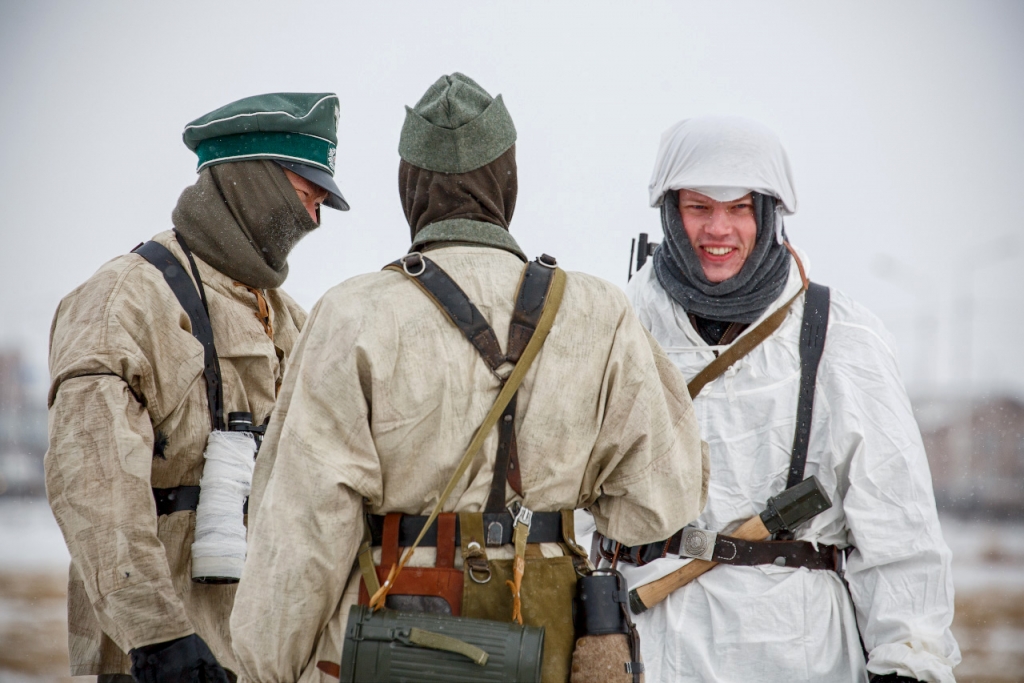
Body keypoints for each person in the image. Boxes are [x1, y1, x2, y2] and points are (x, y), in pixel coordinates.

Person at [229, 73, 709, 683]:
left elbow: (304, 524)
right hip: (547, 632)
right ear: (507, 179)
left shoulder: (352, 314)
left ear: (409, 185)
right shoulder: (599, 311)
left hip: (393, 635)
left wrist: (267, 665)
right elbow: (657, 502)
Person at [615, 116, 960, 682]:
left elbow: (898, 526)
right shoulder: (616, 327)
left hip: (798, 655)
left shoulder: (841, 336)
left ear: (769, 212)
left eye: (740, 208)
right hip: (646, 649)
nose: (719, 229)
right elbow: (573, 509)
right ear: (671, 213)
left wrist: (909, 659)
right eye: (699, 207)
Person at [44, 92, 349, 682]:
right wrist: (160, 639)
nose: (314, 219)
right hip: (160, 660)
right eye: (307, 193)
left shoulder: (292, 320)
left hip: (264, 658)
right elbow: (95, 489)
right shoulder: (125, 301)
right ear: (253, 183)